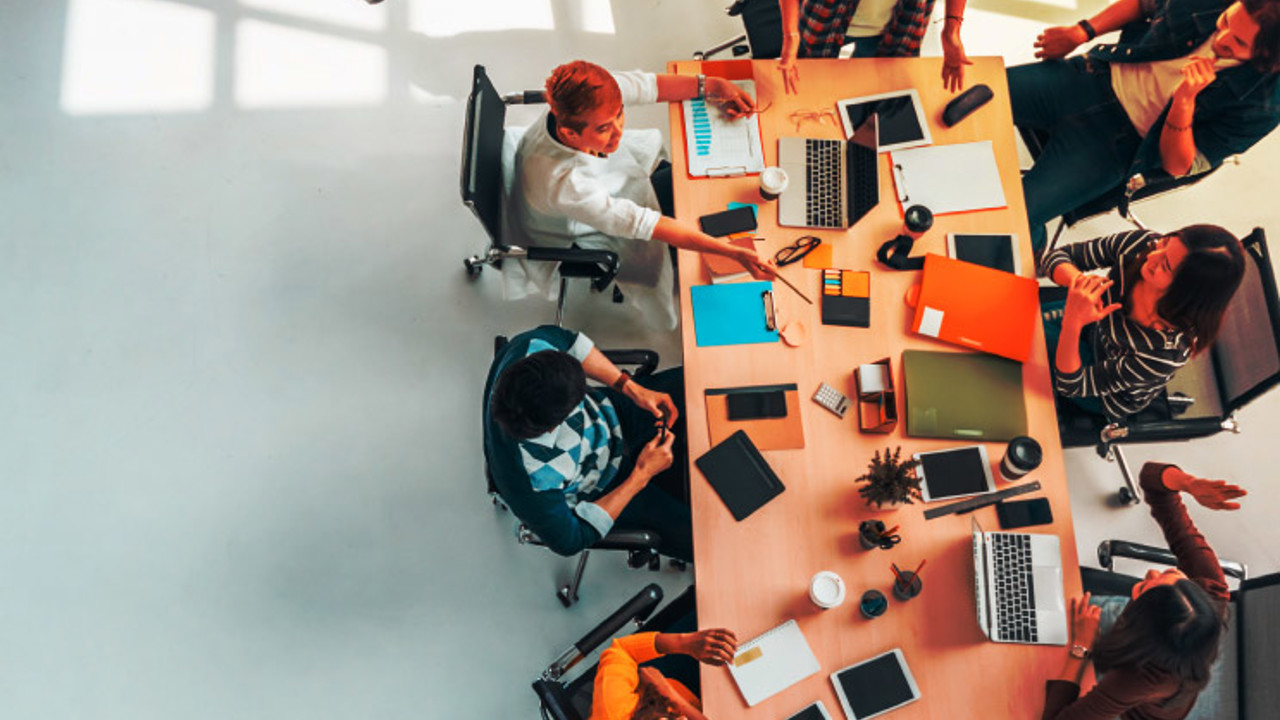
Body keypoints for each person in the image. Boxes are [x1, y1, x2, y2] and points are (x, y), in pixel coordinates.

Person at [511, 61, 776, 330]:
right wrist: (732, 253)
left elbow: (650, 86)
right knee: (672, 244)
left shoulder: (586, 99)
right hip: (578, 228)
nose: (618, 131)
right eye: (603, 129)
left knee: (689, 191)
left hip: (603, 186)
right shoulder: (564, 183)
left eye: (620, 114)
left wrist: (713, 85)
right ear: (569, 133)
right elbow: (643, 223)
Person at [1009, 0, 1280, 252]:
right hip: (1090, 77)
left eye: (1239, 42)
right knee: (972, 93)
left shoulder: (1266, 106)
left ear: (1267, 59)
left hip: (1117, 145)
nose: (1221, 39)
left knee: (1016, 218)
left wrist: (1184, 103)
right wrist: (1082, 31)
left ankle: (1030, 254)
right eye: (1225, 21)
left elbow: (1178, 165)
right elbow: (1143, 4)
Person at [1044, 461, 1246, 720]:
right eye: (1171, 575)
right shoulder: (1211, 587)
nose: (1151, 572)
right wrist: (1190, 484)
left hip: (1134, 707)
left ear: (1140, 624)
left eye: (1146, 588)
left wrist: (1081, 647)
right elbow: (1152, 481)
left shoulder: (1143, 677)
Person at [484, 325, 693, 562]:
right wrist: (641, 475)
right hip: (603, 485)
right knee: (703, 538)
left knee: (705, 380)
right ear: (555, 426)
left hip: (610, 411)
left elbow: (570, 342)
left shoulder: (531, 349)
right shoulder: (531, 481)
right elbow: (569, 540)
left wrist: (632, 389)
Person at [1041, 225, 1245, 419]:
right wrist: (1081, 284)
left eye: (1165, 265)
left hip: (1102, 392)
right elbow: (1056, 257)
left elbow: (1072, 385)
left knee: (1028, 333)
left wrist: (1072, 323)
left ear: (1185, 293)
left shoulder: (1162, 355)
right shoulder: (1144, 244)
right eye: (1164, 243)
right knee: (1021, 315)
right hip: (1097, 328)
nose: (1151, 256)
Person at [776, 0, 972, 93]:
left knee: (876, 95)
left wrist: (951, 31)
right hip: (826, 16)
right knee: (810, 89)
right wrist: (790, 35)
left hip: (900, 24)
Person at [592, 627, 737, 720]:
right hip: (697, 702)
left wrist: (685, 643)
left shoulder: (612, 711)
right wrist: (674, 699)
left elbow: (622, 650)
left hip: (662, 684)